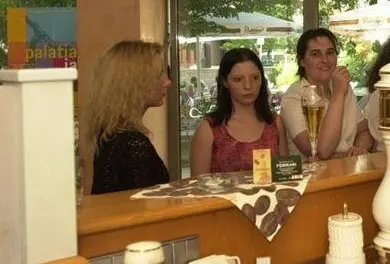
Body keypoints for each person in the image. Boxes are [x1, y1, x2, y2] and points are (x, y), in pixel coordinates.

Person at [84, 41, 171, 195]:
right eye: (159, 75)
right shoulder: (131, 143)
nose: (168, 82)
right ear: (134, 83)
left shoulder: (110, 135)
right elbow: (149, 203)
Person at [190, 48, 288, 176]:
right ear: (225, 82)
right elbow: (198, 184)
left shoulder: (275, 123)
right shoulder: (209, 129)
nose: (248, 86)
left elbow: (285, 176)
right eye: (238, 79)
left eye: (255, 78)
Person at [280, 28, 373, 159]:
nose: (325, 60)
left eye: (330, 53)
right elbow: (321, 152)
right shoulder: (293, 97)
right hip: (313, 172)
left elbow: (364, 131)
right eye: (315, 54)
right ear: (302, 61)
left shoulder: (342, 87)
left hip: (348, 167)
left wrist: (359, 147)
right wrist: (338, 94)